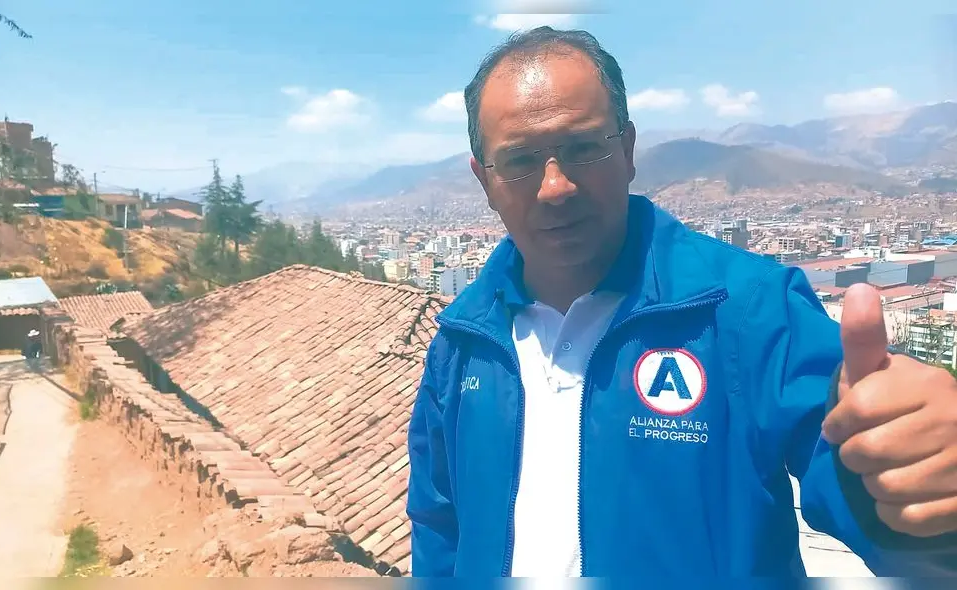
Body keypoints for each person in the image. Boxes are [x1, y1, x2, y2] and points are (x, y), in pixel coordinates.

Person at [406, 26, 957, 577]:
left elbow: (862, 482)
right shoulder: (462, 342)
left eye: (582, 148)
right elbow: (439, 530)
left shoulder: (749, 309)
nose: (555, 186)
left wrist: (918, 482)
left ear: (627, 150)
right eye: (520, 159)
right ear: (484, 179)